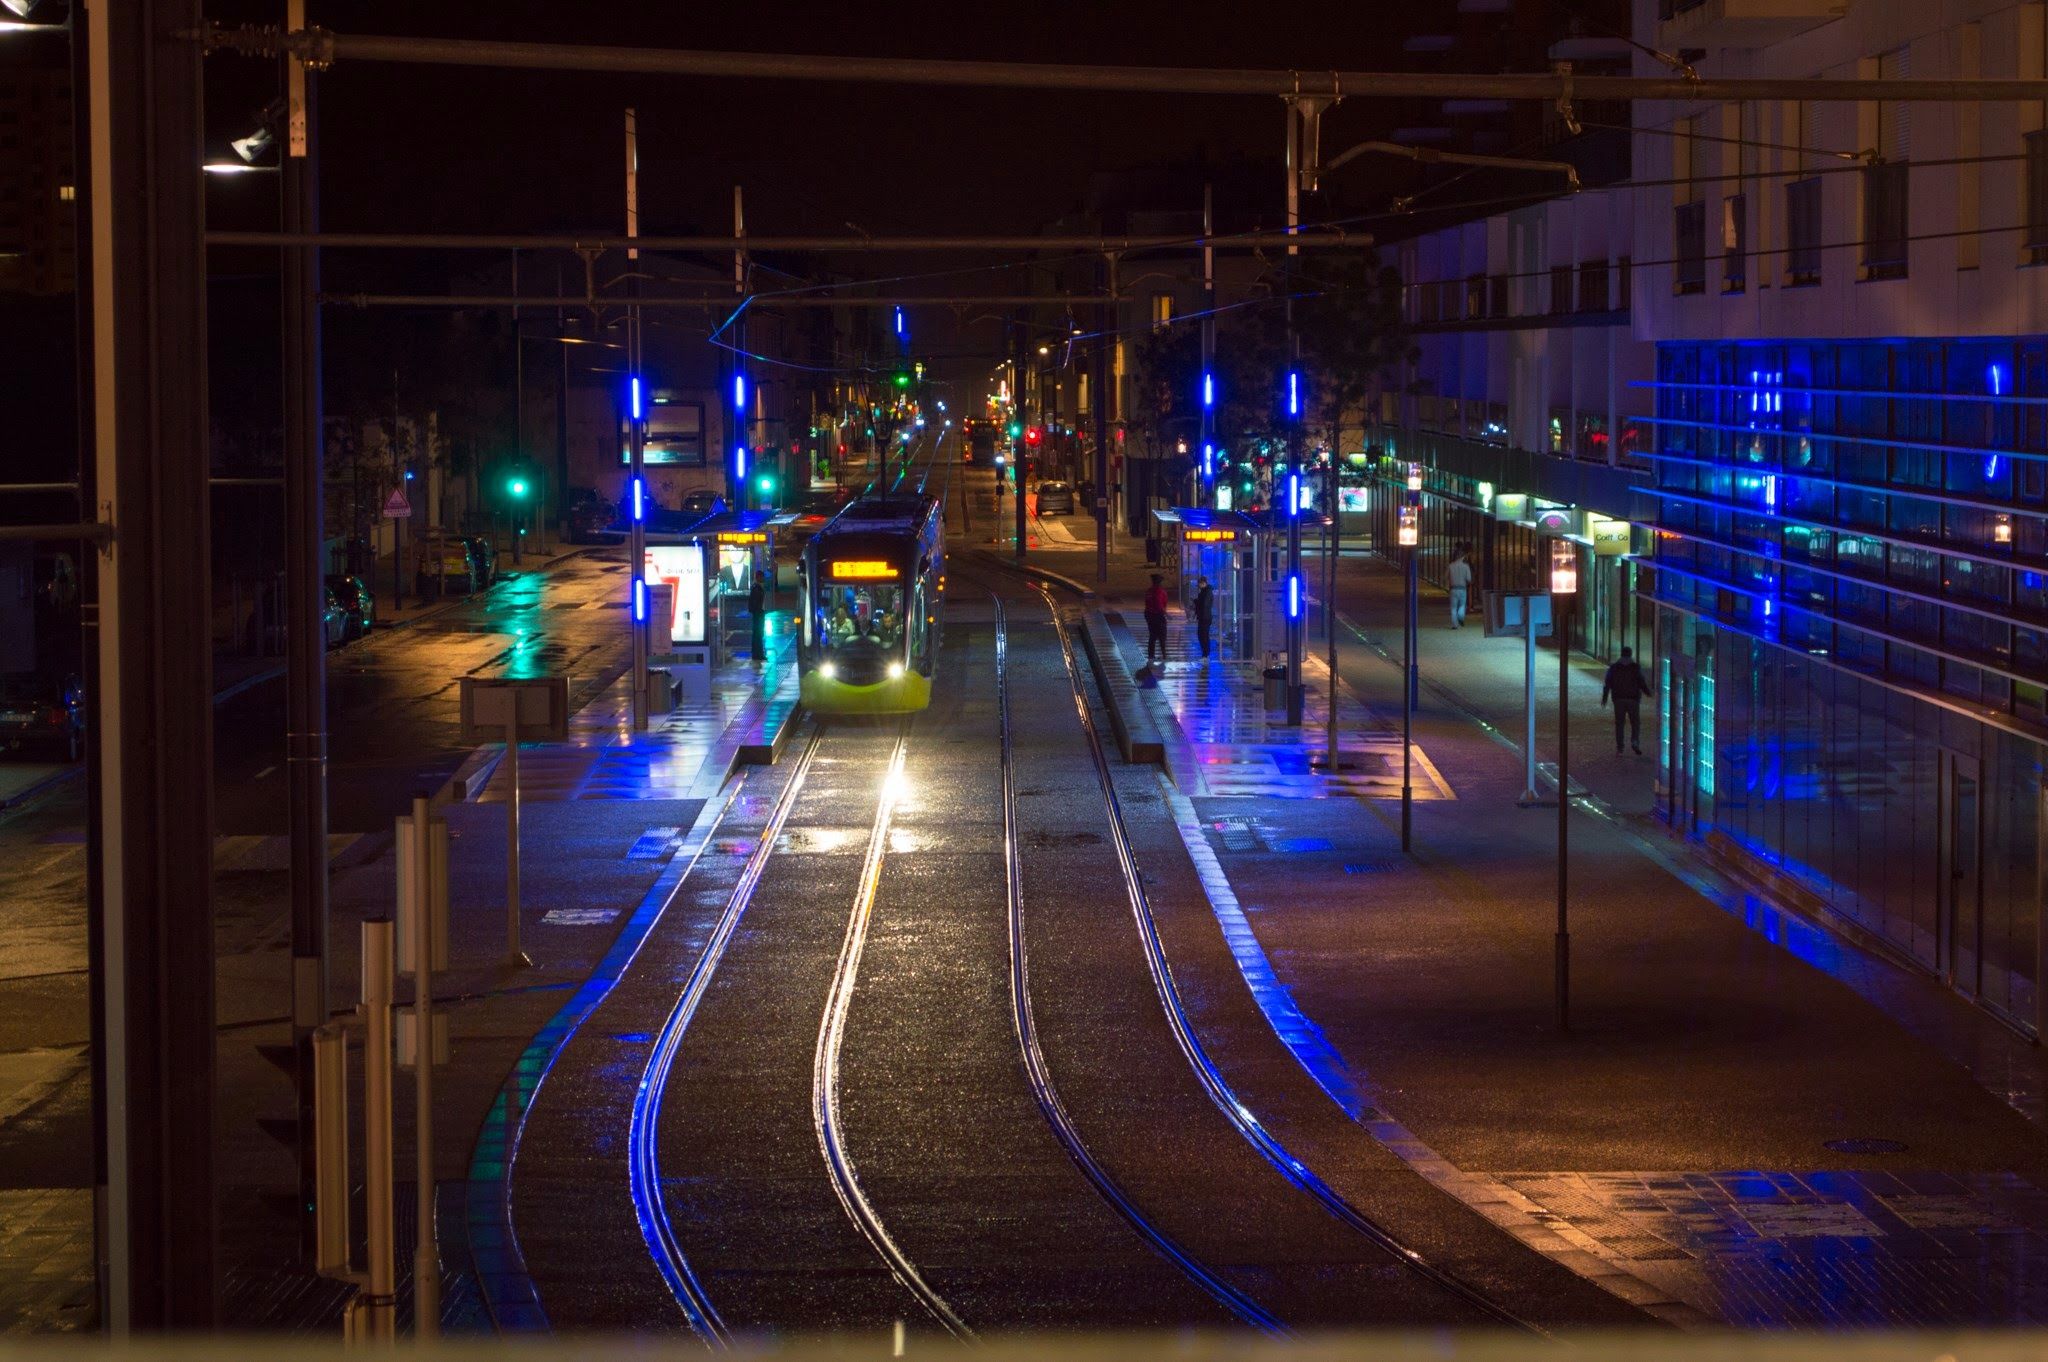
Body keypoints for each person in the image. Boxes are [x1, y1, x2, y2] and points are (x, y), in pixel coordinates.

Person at [1601, 646, 1652, 755]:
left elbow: (1608, 683)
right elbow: (1641, 682)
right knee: (1635, 723)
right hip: (1633, 699)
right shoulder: (1635, 667)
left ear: (1621, 654)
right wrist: (1647, 692)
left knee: (1619, 724)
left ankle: (1620, 748)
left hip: (1618, 699)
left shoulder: (1614, 667)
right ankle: (1634, 742)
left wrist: (1605, 697)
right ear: (1630, 654)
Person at [1143, 572, 1170, 667]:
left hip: (1149, 615)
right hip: (1157, 615)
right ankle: (1164, 655)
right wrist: (1166, 614)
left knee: (1153, 635)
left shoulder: (1149, 591)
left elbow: (1147, 603)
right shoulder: (1159, 591)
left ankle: (1151, 655)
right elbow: (1159, 604)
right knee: (1162, 635)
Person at [1445, 546, 1473, 629]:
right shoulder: (1466, 566)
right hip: (1462, 589)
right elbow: (1469, 579)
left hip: (1453, 589)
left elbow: (1445, 577)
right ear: (1462, 557)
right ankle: (1460, 616)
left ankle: (1454, 625)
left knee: (1453, 607)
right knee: (1462, 605)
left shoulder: (1450, 566)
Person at [1192, 576, 1215, 660]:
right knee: (1202, 635)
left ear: (1203, 583)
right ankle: (1205, 653)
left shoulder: (1207, 592)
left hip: (1205, 617)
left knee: (1203, 635)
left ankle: (1205, 654)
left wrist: (1197, 602)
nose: (1198, 586)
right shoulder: (1205, 591)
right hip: (1204, 616)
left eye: (1199, 584)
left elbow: (1204, 604)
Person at [748, 574, 767, 663]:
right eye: (761, 577)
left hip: (758, 613)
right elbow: (756, 602)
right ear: (758, 578)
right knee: (758, 634)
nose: (763, 578)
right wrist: (758, 611)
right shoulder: (756, 588)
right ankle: (758, 654)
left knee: (757, 634)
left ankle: (757, 654)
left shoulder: (757, 587)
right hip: (758, 613)